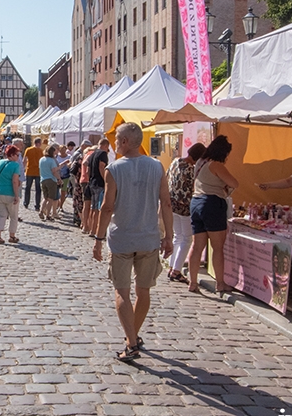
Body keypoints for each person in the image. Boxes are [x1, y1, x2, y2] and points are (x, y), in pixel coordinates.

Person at [92, 123, 173, 362]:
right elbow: (166, 203)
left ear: (125, 141)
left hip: (123, 239)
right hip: (149, 238)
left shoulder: (114, 169)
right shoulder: (157, 166)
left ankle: (131, 343)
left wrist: (97, 239)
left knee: (122, 291)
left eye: (117, 139)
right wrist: (168, 236)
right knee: (143, 291)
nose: (115, 144)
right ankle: (133, 337)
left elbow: (107, 207)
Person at [186, 135, 239, 295]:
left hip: (196, 203)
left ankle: (193, 282)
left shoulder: (200, 163)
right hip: (212, 203)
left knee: (197, 246)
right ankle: (220, 283)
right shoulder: (216, 165)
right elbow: (235, 183)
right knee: (217, 247)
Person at [166, 143, 206, 283]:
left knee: (178, 236)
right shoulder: (191, 169)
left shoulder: (175, 161)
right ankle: (176, 270)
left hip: (172, 204)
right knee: (187, 239)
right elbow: (194, 187)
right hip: (185, 207)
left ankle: (172, 266)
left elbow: (167, 178)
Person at [0, 145, 21, 244]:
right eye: (17, 155)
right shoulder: (15, 165)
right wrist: (16, 195)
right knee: (13, 216)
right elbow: (15, 181)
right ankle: (12, 236)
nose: (18, 157)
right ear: (12, 155)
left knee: (2, 215)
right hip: (9, 193)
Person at [88, 138, 111, 236]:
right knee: (98, 208)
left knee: (93, 208)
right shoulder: (102, 154)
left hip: (92, 182)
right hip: (99, 183)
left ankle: (91, 229)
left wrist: (90, 178)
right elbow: (101, 167)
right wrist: (106, 180)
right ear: (106, 146)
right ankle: (95, 231)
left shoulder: (93, 153)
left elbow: (88, 168)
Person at [39, 144, 62, 221]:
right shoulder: (52, 160)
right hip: (51, 180)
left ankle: (41, 210)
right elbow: (54, 172)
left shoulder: (41, 159)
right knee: (50, 199)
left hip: (43, 179)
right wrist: (59, 179)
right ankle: (48, 215)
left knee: (45, 198)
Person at [69, 140, 89, 228]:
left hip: (77, 179)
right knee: (80, 200)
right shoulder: (80, 155)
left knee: (77, 199)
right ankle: (80, 220)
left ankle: (77, 218)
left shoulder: (79, 154)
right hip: (79, 179)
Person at [79, 143, 96, 233]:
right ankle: (87, 226)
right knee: (90, 205)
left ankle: (84, 224)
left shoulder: (86, 154)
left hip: (83, 180)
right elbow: (85, 163)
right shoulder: (92, 154)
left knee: (86, 204)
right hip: (87, 181)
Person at [22, 137, 43, 211]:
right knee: (38, 189)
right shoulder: (41, 151)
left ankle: (26, 203)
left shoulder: (28, 150)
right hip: (38, 172)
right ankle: (37, 205)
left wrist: (22, 170)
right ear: (38, 143)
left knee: (28, 188)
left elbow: (24, 160)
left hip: (29, 171)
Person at [56, 143, 71, 215]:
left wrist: (69, 165)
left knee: (63, 192)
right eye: (61, 150)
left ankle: (61, 206)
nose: (63, 151)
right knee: (56, 191)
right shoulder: (56, 157)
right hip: (57, 176)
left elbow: (70, 165)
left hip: (66, 176)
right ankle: (57, 204)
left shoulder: (69, 156)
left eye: (64, 150)